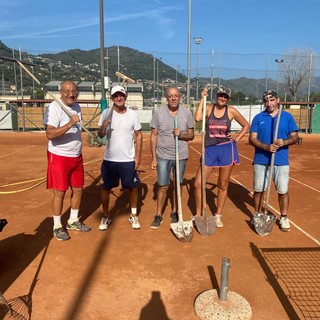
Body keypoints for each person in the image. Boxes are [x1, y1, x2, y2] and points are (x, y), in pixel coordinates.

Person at [194, 86, 250, 227]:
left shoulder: (231, 111)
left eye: (226, 97)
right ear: (217, 95)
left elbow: (246, 125)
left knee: (223, 184)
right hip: (209, 149)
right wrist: (202, 98)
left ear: (228, 99)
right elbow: (198, 118)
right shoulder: (208, 107)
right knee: (198, 184)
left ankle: (218, 215)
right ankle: (198, 215)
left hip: (226, 149)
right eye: (221, 95)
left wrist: (237, 137)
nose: (223, 98)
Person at [43, 80, 91, 241]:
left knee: (78, 189)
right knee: (60, 192)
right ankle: (57, 226)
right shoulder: (54, 108)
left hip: (76, 156)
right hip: (59, 156)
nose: (71, 94)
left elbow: (78, 130)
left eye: (74, 91)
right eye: (67, 91)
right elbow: (50, 134)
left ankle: (73, 220)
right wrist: (70, 123)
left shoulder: (77, 107)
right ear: (61, 92)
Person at [249, 89, 299, 232]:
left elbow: (295, 137)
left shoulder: (287, 117)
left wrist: (284, 142)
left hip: (281, 161)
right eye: (266, 100)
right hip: (261, 160)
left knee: (282, 190)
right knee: (259, 190)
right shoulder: (259, 118)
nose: (269, 103)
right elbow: (252, 138)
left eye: (272, 100)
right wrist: (265, 146)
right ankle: (257, 215)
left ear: (277, 100)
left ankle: (283, 217)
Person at [97, 85, 142, 230]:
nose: (119, 98)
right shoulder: (106, 113)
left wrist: (138, 157)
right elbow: (101, 135)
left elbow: (138, 135)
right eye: (115, 96)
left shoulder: (132, 114)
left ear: (125, 97)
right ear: (112, 98)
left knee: (133, 187)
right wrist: (103, 127)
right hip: (110, 159)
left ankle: (134, 215)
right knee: (106, 188)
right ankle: (105, 216)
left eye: (121, 95)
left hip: (128, 160)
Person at [150, 86, 194, 229]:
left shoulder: (187, 114)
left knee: (177, 184)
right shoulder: (159, 113)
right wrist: (153, 158)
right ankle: (158, 214)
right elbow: (153, 136)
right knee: (163, 186)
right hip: (163, 155)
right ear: (166, 98)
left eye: (176, 95)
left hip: (180, 155)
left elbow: (191, 135)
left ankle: (175, 211)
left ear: (180, 96)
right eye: (170, 96)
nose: (173, 98)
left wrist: (181, 134)